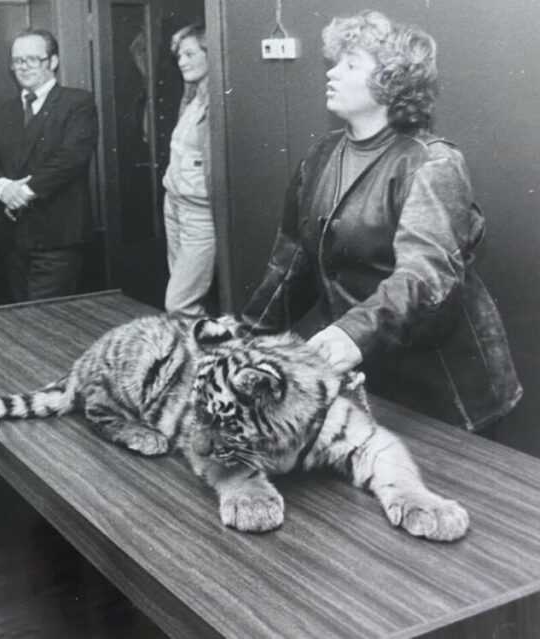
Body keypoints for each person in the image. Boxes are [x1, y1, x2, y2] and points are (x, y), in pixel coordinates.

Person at [242, 10, 521, 433]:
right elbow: (291, 265)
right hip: (374, 378)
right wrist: (243, 340)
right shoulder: (320, 157)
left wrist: (352, 333)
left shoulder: (432, 162)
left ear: (391, 81)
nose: (332, 72)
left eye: (351, 64)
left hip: (443, 394)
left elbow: (425, 277)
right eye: (335, 61)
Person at [0, 28, 99, 302]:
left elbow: (71, 159)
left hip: (57, 238)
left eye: (32, 59)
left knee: (46, 319)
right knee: (22, 317)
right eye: (17, 61)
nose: (23, 67)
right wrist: (3, 189)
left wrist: (21, 193)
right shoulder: (5, 112)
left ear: (53, 61)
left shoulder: (77, 103)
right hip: (13, 240)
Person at [162, 22, 216, 318]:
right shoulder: (193, 99)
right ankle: (189, 347)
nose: (182, 62)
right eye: (179, 56)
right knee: (181, 294)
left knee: (179, 303)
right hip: (174, 204)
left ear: (211, 53)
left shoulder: (218, 102)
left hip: (199, 213)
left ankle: (207, 347)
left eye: (190, 54)